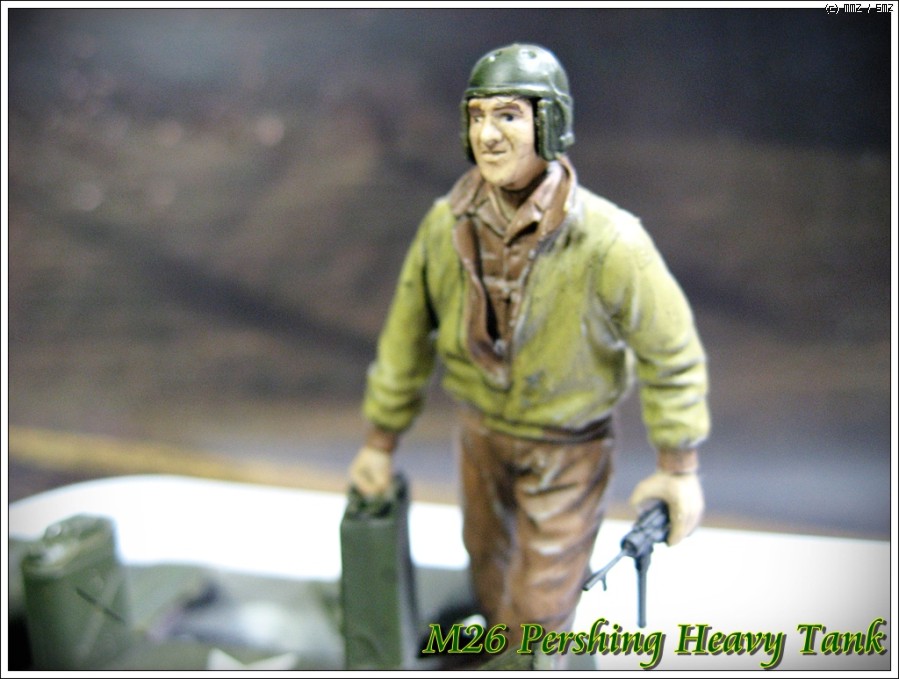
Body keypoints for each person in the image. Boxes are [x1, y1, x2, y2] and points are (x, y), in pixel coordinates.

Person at [348, 43, 710, 647]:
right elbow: (405, 337)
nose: (488, 135)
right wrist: (379, 442)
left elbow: (671, 353)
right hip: (480, 438)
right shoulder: (445, 225)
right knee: (488, 578)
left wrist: (679, 469)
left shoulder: (609, 242)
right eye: (477, 116)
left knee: (539, 614)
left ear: (550, 123)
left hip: (566, 451)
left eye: (509, 116)